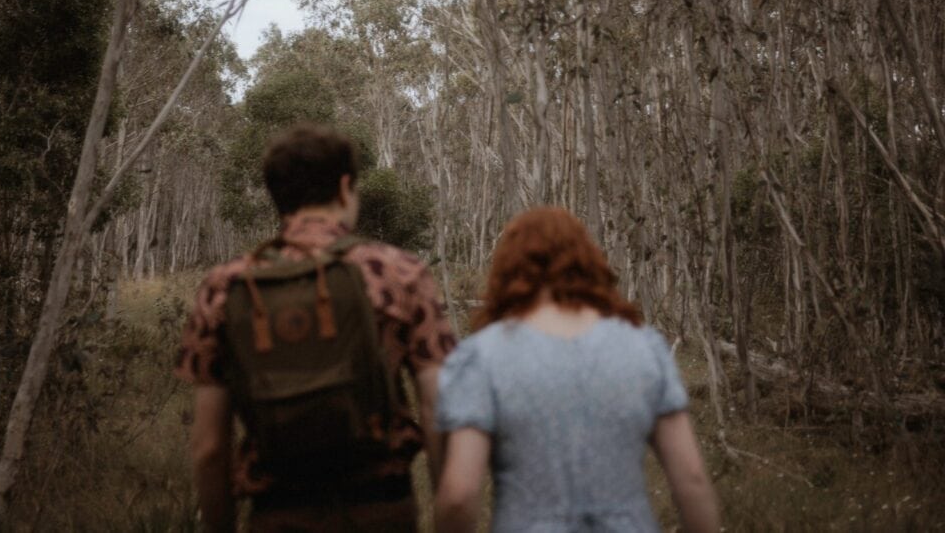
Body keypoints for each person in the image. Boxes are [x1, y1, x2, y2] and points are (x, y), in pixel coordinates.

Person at [175, 123, 456, 532]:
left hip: (277, 512)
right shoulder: (399, 273)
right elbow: (438, 410)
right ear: (346, 187)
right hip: (382, 509)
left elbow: (209, 448)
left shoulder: (226, 287)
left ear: (277, 197)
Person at [434, 207, 719, 533]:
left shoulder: (482, 357)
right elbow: (692, 480)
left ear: (508, 272)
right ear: (587, 265)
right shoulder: (644, 348)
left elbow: (459, 495)